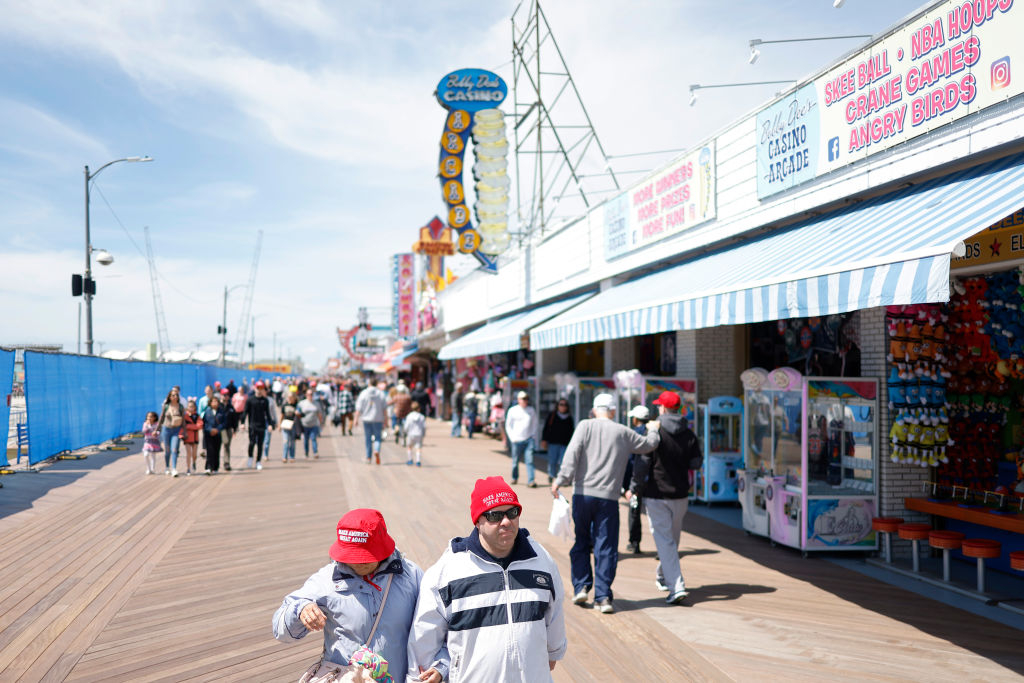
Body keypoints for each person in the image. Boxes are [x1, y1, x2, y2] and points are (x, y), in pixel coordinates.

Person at [407, 476, 567, 682]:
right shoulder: (447, 571)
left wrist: (554, 650)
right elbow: (424, 638)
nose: (506, 521)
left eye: (513, 512)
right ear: (477, 521)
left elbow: (555, 614)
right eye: (495, 516)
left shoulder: (540, 559)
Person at [273, 509, 422, 681]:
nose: (358, 562)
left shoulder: (411, 575)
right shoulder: (325, 580)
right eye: (353, 555)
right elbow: (280, 631)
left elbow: (435, 626)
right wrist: (300, 609)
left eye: (366, 555)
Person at [551, 393, 660, 614]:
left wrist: (559, 480)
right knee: (606, 546)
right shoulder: (622, 431)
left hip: (582, 494)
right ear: (612, 411)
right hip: (609, 499)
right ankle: (603, 597)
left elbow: (571, 456)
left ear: (594, 410)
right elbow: (649, 445)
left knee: (581, 540)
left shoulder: (584, 426)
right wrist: (655, 428)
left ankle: (581, 586)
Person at [627, 391, 702, 605]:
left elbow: (642, 463)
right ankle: (666, 578)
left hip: (656, 494)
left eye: (659, 406)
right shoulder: (689, 434)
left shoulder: (654, 431)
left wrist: (635, 487)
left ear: (663, 408)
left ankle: (676, 587)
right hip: (681, 495)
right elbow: (696, 463)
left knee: (667, 542)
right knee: (671, 541)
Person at [623, 405, 650, 554]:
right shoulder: (654, 433)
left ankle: (634, 543)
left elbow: (630, 461)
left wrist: (627, 485)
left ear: (635, 419)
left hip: (636, 481)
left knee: (634, 512)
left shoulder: (633, 435)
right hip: (653, 481)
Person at [505, 391, 538, 487]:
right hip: (516, 440)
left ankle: (531, 480)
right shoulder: (513, 410)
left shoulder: (531, 410)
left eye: (526, 399)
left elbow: (535, 424)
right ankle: (514, 477)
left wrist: (533, 436)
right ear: (518, 400)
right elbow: (508, 425)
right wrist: (512, 438)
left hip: (528, 439)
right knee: (515, 461)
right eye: (523, 399)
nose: (525, 401)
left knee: (530, 460)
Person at [541, 398, 575, 485]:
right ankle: (551, 475)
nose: (563, 407)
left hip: (564, 444)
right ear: (558, 406)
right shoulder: (552, 415)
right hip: (553, 443)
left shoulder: (569, 418)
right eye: (561, 404)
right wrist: (544, 440)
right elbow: (546, 428)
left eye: (565, 405)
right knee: (552, 461)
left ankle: (561, 479)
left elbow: (572, 432)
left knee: (563, 462)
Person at [354, 380, 388, 465]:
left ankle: (368, 457)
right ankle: (376, 450)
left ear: (369, 384)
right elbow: (385, 409)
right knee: (377, 438)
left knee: (368, 439)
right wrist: (386, 420)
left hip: (366, 419)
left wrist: (356, 419)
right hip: (378, 419)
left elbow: (358, 408)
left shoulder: (363, 393)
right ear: (376, 384)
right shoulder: (381, 394)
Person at [245, 380, 274, 470]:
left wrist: (270, 424)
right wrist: (242, 423)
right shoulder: (250, 399)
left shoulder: (265, 401)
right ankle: (250, 458)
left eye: (261, 388)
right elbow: (245, 412)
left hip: (262, 425)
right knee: (252, 443)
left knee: (260, 444)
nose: (259, 390)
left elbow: (268, 413)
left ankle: (258, 461)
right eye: (258, 388)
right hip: (252, 425)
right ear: (255, 388)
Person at [158, 387, 185, 477]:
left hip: (176, 430)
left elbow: (183, 420)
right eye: (173, 395)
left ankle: (174, 468)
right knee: (167, 450)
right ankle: (167, 467)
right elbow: (161, 418)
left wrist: (184, 431)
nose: (174, 397)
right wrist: (157, 429)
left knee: (174, 449)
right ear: (169, 397)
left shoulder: (180, 407)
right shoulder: (166, 406)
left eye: (176, 395)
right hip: (166, 429)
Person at [202, 395, 226, 474]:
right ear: (210, 403)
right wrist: (210, 430)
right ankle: (208, 467)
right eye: (213, 401)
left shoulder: (221, 411)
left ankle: (215, 468)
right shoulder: (207, 411)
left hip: (218, 434)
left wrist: (217, 429)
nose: (215, 403)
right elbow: (204, 423)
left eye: (216, 401)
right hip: (209, 434)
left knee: (216, 451)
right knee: (210, 451)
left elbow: (224, 422)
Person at [298, 389, 323, 459]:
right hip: (304, 425)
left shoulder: (316, 403)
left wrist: (320, 424)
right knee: (305, 440)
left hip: (314, 424)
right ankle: (306, 453)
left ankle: (315, 452)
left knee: (313, 438)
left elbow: (319, 414)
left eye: (311, 394)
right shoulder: (302, 403)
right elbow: (298, 411)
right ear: (306, 395)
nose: (310, 396)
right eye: (308, 394)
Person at [182, 398, 204, 476]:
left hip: (195, 437)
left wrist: (189, 426)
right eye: (189, 406)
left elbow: (200, 425)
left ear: (195, 407)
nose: (191, 408)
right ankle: (188, 468)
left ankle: (194, 462)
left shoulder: (197, 416)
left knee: (194, 454)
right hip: (187, 437)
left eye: (192, 406)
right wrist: (192, 426)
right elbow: (183, 426)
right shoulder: (185, 416)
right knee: (188, 453)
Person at [279, 390, 300, 462]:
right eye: (289, 397)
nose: (290, 399)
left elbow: (300, 414)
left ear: (294, 398)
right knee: (286, 441)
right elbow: (282, 415)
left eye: (291, 397)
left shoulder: (297, 405)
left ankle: (292, 456)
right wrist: (279, 425)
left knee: (292, 442)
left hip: (293, 425)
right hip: (285, 425)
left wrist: (298, 413)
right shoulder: (285, 405)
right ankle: (284, 457)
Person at [404, 401, 426, 467]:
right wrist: (423, 433)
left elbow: (406, 426)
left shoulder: (409, 416)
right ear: (418, 408)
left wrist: (405, 432)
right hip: (419, 433)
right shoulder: (422, 417)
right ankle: (418, 461)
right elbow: (424, 427)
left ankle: (410, 460)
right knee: (418, 448)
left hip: (410, 433)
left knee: (409, 447)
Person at [220, 388, 237, 471]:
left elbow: (235, 419)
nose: (226, 396)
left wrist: (235, 429)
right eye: (224, 395)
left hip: (228, 429)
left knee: (227, 446)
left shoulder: (231, 407)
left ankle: (226, 463)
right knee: (217, 446)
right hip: (219, 429)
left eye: (227, 395)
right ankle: (214, 463)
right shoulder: (218, 406)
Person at [141, 410, 161, 475]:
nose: (149, 418)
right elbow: (144, 431)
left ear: (154, 417)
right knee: (146, 454)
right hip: (147, 441)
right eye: (148, 417)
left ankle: (152, 469)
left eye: (151, 417)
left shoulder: (157, 424)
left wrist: (156, 433)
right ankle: (148, 468)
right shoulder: (145, 424)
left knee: (153, 455)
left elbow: (159, 431)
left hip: (154, 441)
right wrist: (148, 425)